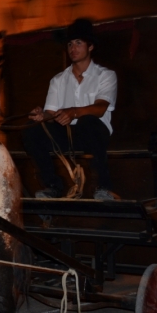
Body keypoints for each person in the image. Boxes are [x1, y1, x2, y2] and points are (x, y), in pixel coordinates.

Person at [22, 18, 118, 200]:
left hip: (93, 134)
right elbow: (51, 113)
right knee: (32, 130)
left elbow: (100, 108)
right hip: (67, 135)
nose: (73, 48)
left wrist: (73, 112)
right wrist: (42, 116)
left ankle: (102, 187)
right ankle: (52, 186)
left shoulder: (105, 75)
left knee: (88, 120)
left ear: (90, 47)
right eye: (70, 44)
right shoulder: (58, 80)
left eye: (78, 43)